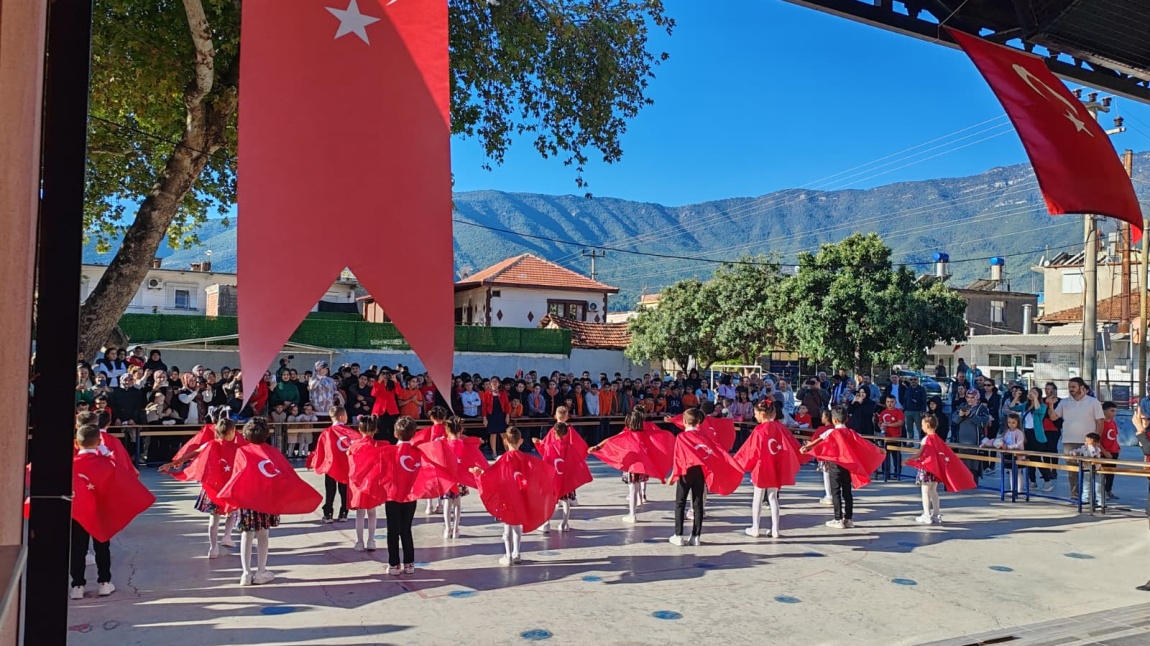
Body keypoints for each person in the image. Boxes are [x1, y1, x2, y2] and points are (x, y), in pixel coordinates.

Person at [70, 423, 154, 599]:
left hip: (78, 512)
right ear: (98, 441)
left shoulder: (71, 465)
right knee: (102, 547)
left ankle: (77, 585)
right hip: (101, 511)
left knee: (77, 548)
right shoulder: (107, 463)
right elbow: (123, 479)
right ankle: (104, 582)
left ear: (77, 443)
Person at [469, 426, 558, 566]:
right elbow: (538, 472)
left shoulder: (501, 459)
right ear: (521, 441)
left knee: (508, 526)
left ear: (505, 441)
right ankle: (517, 553)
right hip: (521, 496)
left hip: (508, 497)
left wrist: (479, 473)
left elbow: (492, 474)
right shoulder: (527, 459)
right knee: (517, 525)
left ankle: (508, 555)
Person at [158, 417, 242, 558]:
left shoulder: (210, 444)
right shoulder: (239, 447)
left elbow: (193, 453)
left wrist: (172, 464)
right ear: (232, 431)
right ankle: (227, 535)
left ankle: (213, 547)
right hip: (229, 487)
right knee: (232, 511)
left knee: (214, 518)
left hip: (213, 487)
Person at [800, 405, 886, 530]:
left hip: (835, 465)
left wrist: (806, 448)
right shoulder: (852, 433)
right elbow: (865, 443)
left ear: (834, 420)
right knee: (847, 492)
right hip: (848, 466)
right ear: (846, 420)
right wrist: (879, 450)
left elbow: (818, 441)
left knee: (835, 492)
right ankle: (849, 519)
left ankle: (838, 518)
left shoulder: (831, 432)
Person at [668, 408, 743, 546]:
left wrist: (673, 475)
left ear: (684, 421)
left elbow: (679, 458)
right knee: (698, 504)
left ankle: (678, 535)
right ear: (699, 422)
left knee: (680, 503)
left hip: (686, 472)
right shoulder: (704, 437)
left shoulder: (681, 437)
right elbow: (714, 452)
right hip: (700, 472)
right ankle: (696, 535)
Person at [735, 400, 809, 538]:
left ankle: (755, 528)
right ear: (774, 414)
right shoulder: (781, 428)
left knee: (758, 496)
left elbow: (751, 451)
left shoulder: (759, 430)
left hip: (761, 466)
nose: (754, 416)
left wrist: (739, 462)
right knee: (773, 497)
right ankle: (775, 529)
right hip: (776, 464)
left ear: (762, 414)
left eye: (756, 413)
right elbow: (792, 445)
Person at [589, 410, 675, 523]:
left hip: (633, 466)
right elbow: (662, 437)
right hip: (643, 466)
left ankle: (632, 513)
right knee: (638, 485)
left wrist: (597, 446)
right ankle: (640, 500)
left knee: (632, 489)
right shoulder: (646, 433)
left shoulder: (627, 434)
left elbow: (610, 440)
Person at [906, 413, 976, 524]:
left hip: (927, 468)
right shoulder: (938, 439)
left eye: (923, 424)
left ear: (927, 425)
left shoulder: (926, 439)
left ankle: (926, 514)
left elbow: (920, 453)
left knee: (925, 492)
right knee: (933, 491)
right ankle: (936, 514)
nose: (922, 426)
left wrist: (909, 459)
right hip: (936, 470)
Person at [1048, 377, 1104, 499]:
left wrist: (1096, 441)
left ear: (1082, 388)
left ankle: (1089, 496)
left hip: (1088, 443)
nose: (1071, 389)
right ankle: (1075, 496)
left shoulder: (1093, 402)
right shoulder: (1064, 402)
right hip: (1069, 441)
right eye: (1069, 387)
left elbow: (1100, 421)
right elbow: (1053, 418)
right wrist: (1051, 406)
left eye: (1073, 387)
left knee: (1090, 470)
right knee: (1072, 471)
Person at [537, 421, 592, 533]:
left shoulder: (550, 446)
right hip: (565, 478)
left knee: (549, 500)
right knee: (565, 499)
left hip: (554, 478)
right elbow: (576, 461)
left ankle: (546, 523)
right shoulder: (570, 447)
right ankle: (565, 523)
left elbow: (546, 462)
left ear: (554, 433)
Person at [311, 406, 355, 524]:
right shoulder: (349, 431)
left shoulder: (326, 432)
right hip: (345, 465)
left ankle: (328, 513)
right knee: (344, 489)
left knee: (330, 490)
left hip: (331, 465)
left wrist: (315, 461)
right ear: (341, 416)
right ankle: (344, 512)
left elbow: (320, 449)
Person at [346, 415, 384, 552]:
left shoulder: (354, 446)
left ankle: (359, 541)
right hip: (373, 483)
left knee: (360, 514)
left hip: (358, 484)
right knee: (372, 512)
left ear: (360, 429)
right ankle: (371, 540)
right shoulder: (379, 446)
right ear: (375, 430)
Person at [951, 389, 991, 479]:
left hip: (974, 442)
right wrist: (960, 415)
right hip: (961, 441)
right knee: (962, 463)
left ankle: (973, 483)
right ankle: (963, 482)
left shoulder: (982, 408)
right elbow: (954, 420)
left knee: (973, 465)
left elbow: (983, 423)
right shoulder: (963, 406)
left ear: (977, 397)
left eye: (972, 397)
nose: (970, 399)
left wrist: (971, 415)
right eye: (968, 397)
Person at [481, 377, 511, 457]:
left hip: (501, 415)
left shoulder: (503, 393)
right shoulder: (487, 393)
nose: (494, 383)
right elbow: (484, 407)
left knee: (503, 434)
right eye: (493, 381)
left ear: (498, 383)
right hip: (491, 416)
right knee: (493, 434)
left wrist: (507, 415)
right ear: (491, 383)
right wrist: (484, 418)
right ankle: (494, 452)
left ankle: (508, 451)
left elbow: (507, 405)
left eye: (496, 381)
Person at [878, 394, 906, 479]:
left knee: (896, 457)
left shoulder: (898, 411)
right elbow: (880, 422)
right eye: (888, 402)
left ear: (895, 402)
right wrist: (881, 426)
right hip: (885, 437)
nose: (890, 404)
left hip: (895, 437)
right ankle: (885, 472)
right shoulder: (883, 412)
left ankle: (897, 473)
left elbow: (900, 422)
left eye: (892, 402)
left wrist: (889, 425)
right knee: (885, 456)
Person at [1100, 401, 1121, 501]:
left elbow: (1114, 436)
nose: (1114, 413)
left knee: (1111, 473)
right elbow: (1097, 440)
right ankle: (1101, 491)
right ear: (1104, 411)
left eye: (1115, 411)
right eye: (1112, 411)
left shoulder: (1113, 422)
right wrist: (1104, 452)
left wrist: (1117, 447)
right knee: (1103, 473)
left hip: (1114, 451)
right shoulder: (1100, 423)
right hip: (1104, 452)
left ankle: (1108, 490)